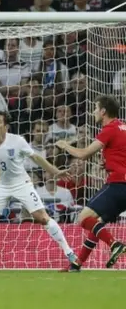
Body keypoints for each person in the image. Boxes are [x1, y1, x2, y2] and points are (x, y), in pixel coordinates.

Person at [0, 111, 77, 272]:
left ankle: (70, 253)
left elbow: (36, 158)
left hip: (21, 184)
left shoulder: (17, 141)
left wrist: (55, 172)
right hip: (1, 186)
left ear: (6, 126)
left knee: (42, 218)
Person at [56, 96, 126, 271]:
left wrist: (65, 145)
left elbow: (83, 154)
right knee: (97, 223)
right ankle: (77, 263)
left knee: (83, 218)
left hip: (118, 184)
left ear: (103, 111)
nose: (94, 111)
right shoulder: (123, 127)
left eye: (96, 108)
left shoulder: (109, 129)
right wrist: (109, 163)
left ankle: (114, 244)